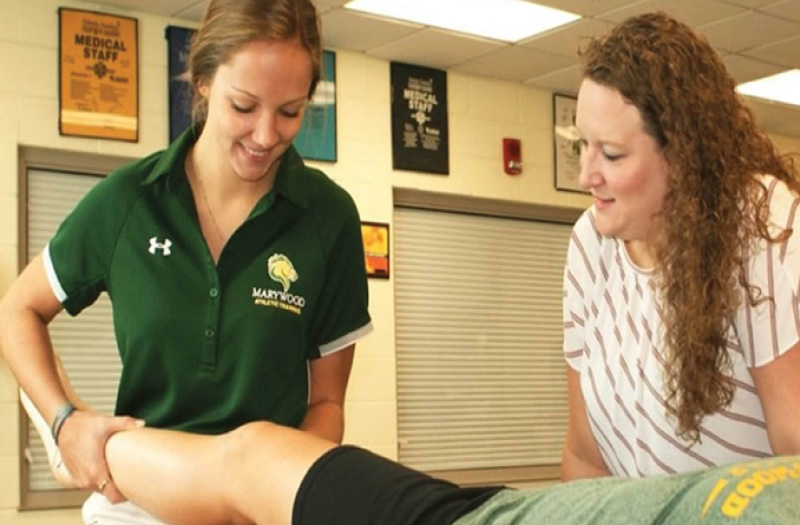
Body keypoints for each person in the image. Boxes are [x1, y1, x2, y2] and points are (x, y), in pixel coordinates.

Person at [0, 0, 372, 522]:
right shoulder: (130, 201)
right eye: (243, 106)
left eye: (290, 112)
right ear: (202, 83)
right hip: (141, 498)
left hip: (260, 502)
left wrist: (281, 491)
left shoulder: (328, 218)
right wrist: (64, 421)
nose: (266, 135)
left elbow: (327, 404)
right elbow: (17, 309)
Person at [561, 11, 800, 481]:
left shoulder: (760, 224)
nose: (587, 175)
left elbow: (794, 445)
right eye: (582, 144)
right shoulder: (590, 243)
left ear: (682, 154)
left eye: (611, 154)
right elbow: (585, 455)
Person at [21, 384, 800, 525]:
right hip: (489, 516)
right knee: (251, 460)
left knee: (251, 461)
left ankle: (89, 450)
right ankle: (88, 449)